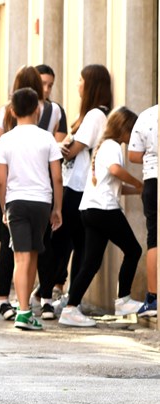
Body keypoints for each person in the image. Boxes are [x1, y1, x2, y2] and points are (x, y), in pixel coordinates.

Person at [0, 66, 63, 321]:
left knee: (20, 257)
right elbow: (58, 177)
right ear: (38, 109)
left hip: (16, 202)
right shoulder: (48, 138)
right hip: (42, 202)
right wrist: (57, 208)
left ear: (11, 111)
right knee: (31, 256)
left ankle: (22, 310)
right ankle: (27, 308)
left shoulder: (6, 140)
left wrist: (4, 207)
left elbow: (0, 181)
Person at [59, 107, 143, 327]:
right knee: (134, 250)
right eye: (132, 130)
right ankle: (123, 300)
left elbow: (111, 183)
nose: (133, 135)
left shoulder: (102, 147)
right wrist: (137, 182)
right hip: (105, 210)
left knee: (91, 263)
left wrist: (138, 189)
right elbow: (115, 170)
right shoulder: (113, 146)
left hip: (90, 210)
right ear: (123, 128)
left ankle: (70, 308)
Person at [53, 64, 112, 304]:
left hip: (80, 187)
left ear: (91, 85)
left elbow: (71, 150)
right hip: (78, 186)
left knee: (77, 245)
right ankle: (65, 297)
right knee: (76, 245)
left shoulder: (95, 115)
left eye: (80, 79)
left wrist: (60, 145)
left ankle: (66, 299)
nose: (77, 84)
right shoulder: (93, 114)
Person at [128, 104, 158, 317]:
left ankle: (154, 298)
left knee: (154, 237)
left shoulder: (147, 115)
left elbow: (133, 155)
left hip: (152, 180)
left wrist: (150, 155)